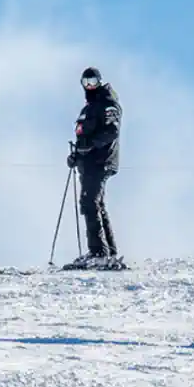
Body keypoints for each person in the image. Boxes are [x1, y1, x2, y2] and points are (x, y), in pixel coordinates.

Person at [63, 67, 125, 270]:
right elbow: (83, 137)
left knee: (89, 202)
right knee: (96, 204)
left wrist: (92, 144)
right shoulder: (89, 108)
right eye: (85, 82)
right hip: (88, 162)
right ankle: (107, 251)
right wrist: (77, 155)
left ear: (100, 81)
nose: (89, 85)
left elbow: (111, 131)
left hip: (101, 160)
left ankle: (99, 252)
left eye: (93, 81)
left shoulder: (107, 103)